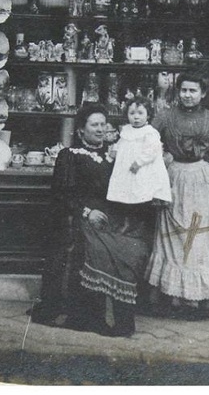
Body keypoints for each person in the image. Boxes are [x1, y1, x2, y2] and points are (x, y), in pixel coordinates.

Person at [29, 103, 152, 337]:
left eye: (103, 124)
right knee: (101, 249)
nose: (99, 129)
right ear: (80, 130)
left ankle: (123, 322)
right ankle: (91, 317)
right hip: (82, 218)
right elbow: (63, 194)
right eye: (94, 125)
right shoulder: (70, 156)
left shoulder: (113, 154)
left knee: (128, 249)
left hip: (112, 219)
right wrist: (87, 212)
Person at [145, 71, 209, 320]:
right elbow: (149, 142)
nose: (187, 95)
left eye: (193, 91)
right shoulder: (165, 117)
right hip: (173, 179)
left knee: (199, 238)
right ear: (178, 92)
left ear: (203, 93)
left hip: (202, 180)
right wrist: (166, 160)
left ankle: (201, 301)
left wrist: (201, 165)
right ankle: (173, 298)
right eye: (184, 90)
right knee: (174, 236)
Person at [106, 95, 172, 207]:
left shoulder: (149, 132)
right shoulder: (126, 130)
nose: (136, 117)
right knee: (127, 187)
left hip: (142, 166)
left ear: (148, 115)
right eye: (132, 113)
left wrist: (139, 162)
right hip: (126, 166)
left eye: (140, 113)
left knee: (141, 187)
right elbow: (121, 143)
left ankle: (142, 204)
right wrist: (114, 152)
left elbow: (152, 150)